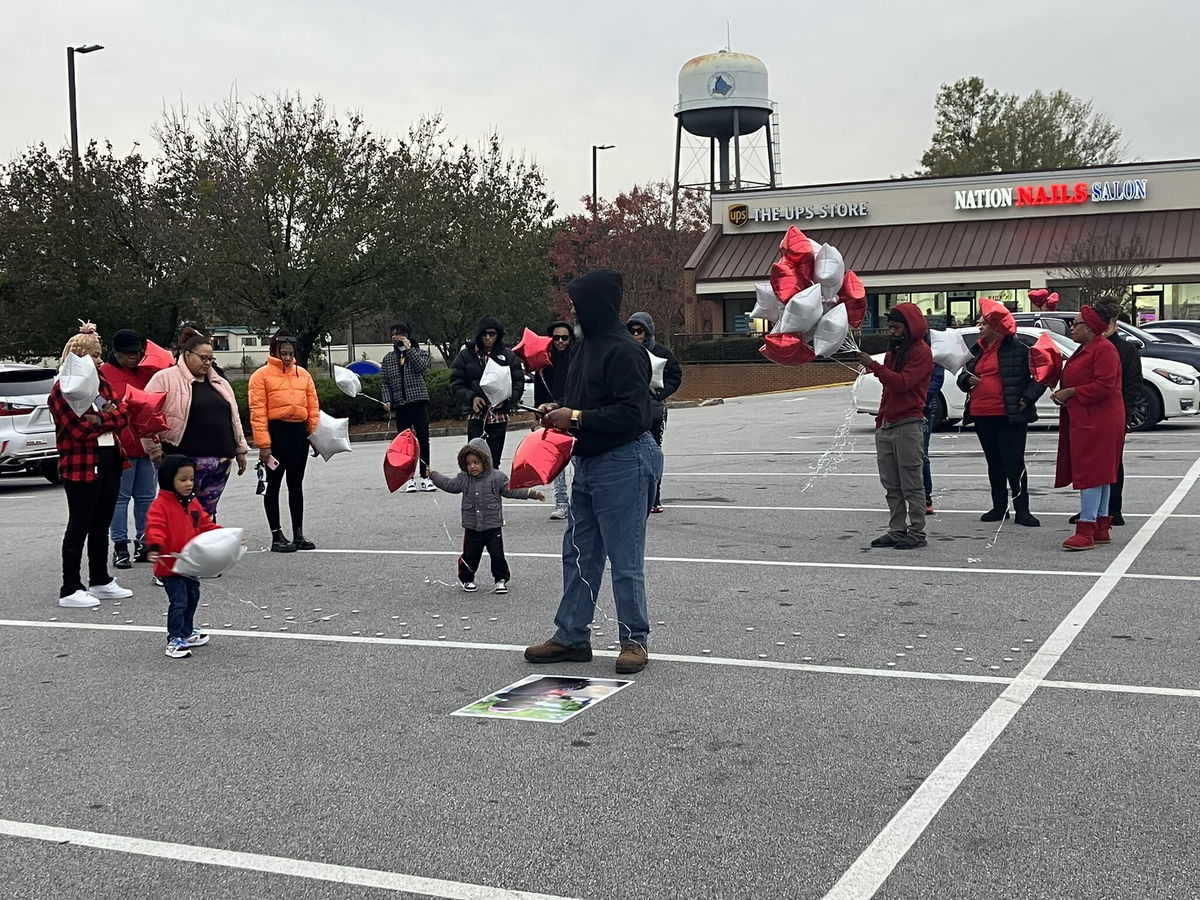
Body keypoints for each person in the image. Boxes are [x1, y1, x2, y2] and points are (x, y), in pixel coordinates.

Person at [524, 268, 662, 675]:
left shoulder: (625, 350)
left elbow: (635, 414)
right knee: (580, 552)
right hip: (587, 460)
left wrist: (578, 416)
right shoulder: (586, 347)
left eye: (577, 303)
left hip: (624, 459)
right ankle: (571, 636)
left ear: (596, 304)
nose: (572, 311)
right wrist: (558, 409)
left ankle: (634, 638)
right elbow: (582, 397)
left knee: (624, 556)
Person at [49, 322, 134, 608]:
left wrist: (100, 418)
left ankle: (100, 579)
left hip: (110, 459)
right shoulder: (62, 390)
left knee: (102, 524)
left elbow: (122, 414)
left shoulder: (101, 383)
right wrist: (102, 419)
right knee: (79, 525)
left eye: (100, 355)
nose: (99, 361)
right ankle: (70, 586)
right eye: (94, 356)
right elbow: (78, 430)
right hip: (80, 464)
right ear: (77, 356)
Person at [142, 328, 249, 520]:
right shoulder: (164, 378)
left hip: (220, 459)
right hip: (182, 459)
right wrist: (154, 449)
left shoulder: (220, 382)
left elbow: (233, 418)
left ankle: (202, 546)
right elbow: (145, 415)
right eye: (203, 358)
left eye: (211, 359)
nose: (207, 363)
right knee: (180, 512)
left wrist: (240, 449)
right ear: (187, 354)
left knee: (206, 515)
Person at [957, 301, 1047, 527]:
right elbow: (962, 376)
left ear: (996, 327)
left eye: (984, 323)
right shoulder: (977, 349)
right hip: (981, 413)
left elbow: (1041, 375)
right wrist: (967, 380)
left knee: (1014, 462)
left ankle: (1022, 509)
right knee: (993, 462)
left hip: (1010, 414)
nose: (979, 326)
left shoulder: (1019, 349)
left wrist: (1027, 398)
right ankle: (999, 506)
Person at [858, 303, 934, 550]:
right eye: (890, 326)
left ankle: (917, 532)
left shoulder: (921, 352)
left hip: (908, 423)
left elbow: (902, 383)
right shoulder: (895, 352)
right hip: (888, 423)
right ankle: (897, 529)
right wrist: (880, 420)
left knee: (911, 482)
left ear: (909, 327)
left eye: (896, 326)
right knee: (891, 484)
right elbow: (888, 389)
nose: (892, 331)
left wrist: (875, 366)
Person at [428, 438, 544, 593]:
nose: (472, 466)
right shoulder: (463, 479)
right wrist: (434, 476)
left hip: (492, 526)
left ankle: (501, 579)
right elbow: (449, 485)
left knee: (497, 555)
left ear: (485, 461)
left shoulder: (497, 477)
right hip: (472, 527)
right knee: (470, 555)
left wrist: (532, 493)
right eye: (468, 463)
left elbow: (512, 490)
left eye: (476, 462)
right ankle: (467, 579)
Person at [1053, 305, 1126, 551]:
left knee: (1093, 473)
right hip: (1088, 417)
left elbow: (1105, 386)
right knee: (1102, 474)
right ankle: (1101, 526)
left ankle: (1086, 527)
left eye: (1076, 323)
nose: (1072, 327)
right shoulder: (1086, 349)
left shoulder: (1104, 350)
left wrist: (1072, 392)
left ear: (1091, 328)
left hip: (1099, 420)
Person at [248, 330, 320, 552]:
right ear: (274, 351)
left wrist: (314, 436)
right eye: (283, 353)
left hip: (298, 433)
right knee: (274, 485)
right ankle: (276, 535)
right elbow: (257, 412)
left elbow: (313, 408)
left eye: (290, 353)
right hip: (276, 432)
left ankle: (298, 533)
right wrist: (264, 445)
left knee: (296, 484)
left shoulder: (303, 375)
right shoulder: (261, 376)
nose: (287, 358)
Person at [144, 455, 222, 659]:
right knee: (179, 601)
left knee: (193, 597)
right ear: (169, 480)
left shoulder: (192, 502)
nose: (189, 484)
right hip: (170, 565)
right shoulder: (161, 505)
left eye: (191, 479)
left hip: (189, 563)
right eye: (183, 480)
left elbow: (205, 523)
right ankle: (174, 638)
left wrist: (224, 537)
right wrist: (154, 547)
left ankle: (187, 631)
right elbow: (155, 528)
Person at [99, 329, 159, 568]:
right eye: (127, 354)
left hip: (146, 442)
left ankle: (143, 542)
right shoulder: (104, 373)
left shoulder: (147, 372)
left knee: (145, 497)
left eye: (137, 353)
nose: (133, 357)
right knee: (120, 498)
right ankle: (120, 545)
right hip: (120, 443)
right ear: (115, 353)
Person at [626, 312, 683, 513]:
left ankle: (654, 497)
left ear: (648, 331)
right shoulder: (624, 353)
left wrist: (661, 394)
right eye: (631, 331)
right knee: (631, 454)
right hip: (630, 412)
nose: (635, 334)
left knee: (652, 453)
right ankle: (634, 497)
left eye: (639, 330)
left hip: (654, 412)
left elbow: (675, 376)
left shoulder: (662, 353)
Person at [449, 316, 524, 467]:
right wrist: (472, 398)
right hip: (476, 415)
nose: (488, 338)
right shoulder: (466, 355)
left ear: (498, 335)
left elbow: (519, 383)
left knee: (493, 461)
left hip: (498, 415)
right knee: (474, 460)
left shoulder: (508, 355)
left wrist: (508, 399)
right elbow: (456, 383)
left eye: (492, 334)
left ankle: (492, 490)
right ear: (479, 335)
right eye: (484, 334)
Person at [1093, 298, 1139, 526]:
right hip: (1092, 414)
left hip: (1114, 414)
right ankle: (1094, 509)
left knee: (1113, 463)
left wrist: (1126, 414)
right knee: (1093, 462)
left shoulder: (1125, 349)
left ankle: (1113, 509)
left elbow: (1132, 386)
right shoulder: (1090, 346)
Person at [381, 321, 435, 493]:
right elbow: (384, 382)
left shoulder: (419, 353)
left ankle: (425, 475)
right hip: (401, 404)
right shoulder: (388, 359)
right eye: (393, 335)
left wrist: (409, 349)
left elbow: (421, 368)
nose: (394, 338)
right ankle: (408, 478)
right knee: (404, 443)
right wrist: (387, 399)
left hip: (418, 402)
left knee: (423, 439)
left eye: (398, 334)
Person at [534, 320, 576, 519]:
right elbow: (539, 391)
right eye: (556, 337)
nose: (560, 341)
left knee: (578, 458)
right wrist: (538, 417)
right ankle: (561, 502)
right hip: (550, 415)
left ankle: (579, 500)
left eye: (565, 338)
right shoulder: (544, 361)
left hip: (573, 412)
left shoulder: (577, 358)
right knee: (557, 461)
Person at [922, 362, 945, 515]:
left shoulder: (933, 349)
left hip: (923, 406)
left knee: (921, 452)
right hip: (903, 407)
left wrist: (920, 398)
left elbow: (937, 380)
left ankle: (926, 496)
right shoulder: (900, 349)